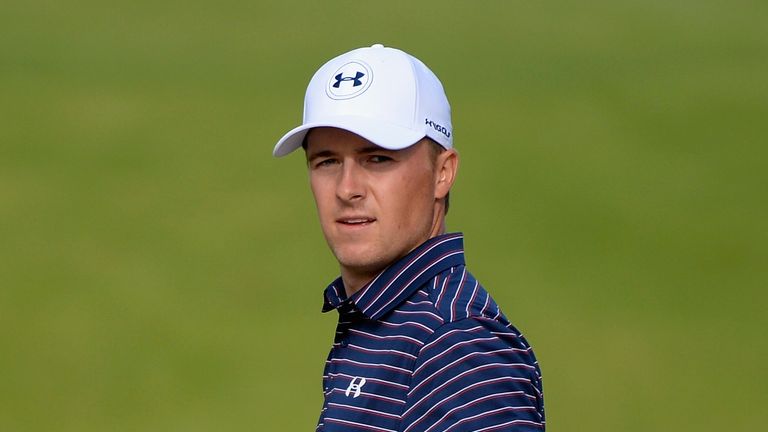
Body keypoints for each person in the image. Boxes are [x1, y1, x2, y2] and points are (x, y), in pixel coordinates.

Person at [273, 44, 545, 431]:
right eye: (327, 160)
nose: (347, 189)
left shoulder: (458, 346)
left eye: (378, 159)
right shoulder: (381, 321)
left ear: (443, 173)